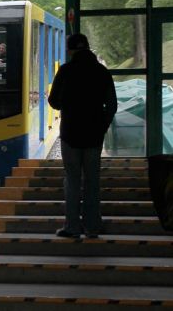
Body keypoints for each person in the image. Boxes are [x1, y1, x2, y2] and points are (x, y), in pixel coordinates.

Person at [48, 33, 117, 239]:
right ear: (88, 48)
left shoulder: (66, 71)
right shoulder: (102, 72)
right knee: (92, 181)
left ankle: (72, 227)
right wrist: (102, 126)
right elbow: (112, 105)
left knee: (72, 180)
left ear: (70, 50)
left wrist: (68, 106)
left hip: (70, 134)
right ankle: (93, 226)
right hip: (94, 136)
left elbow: (53, 101)